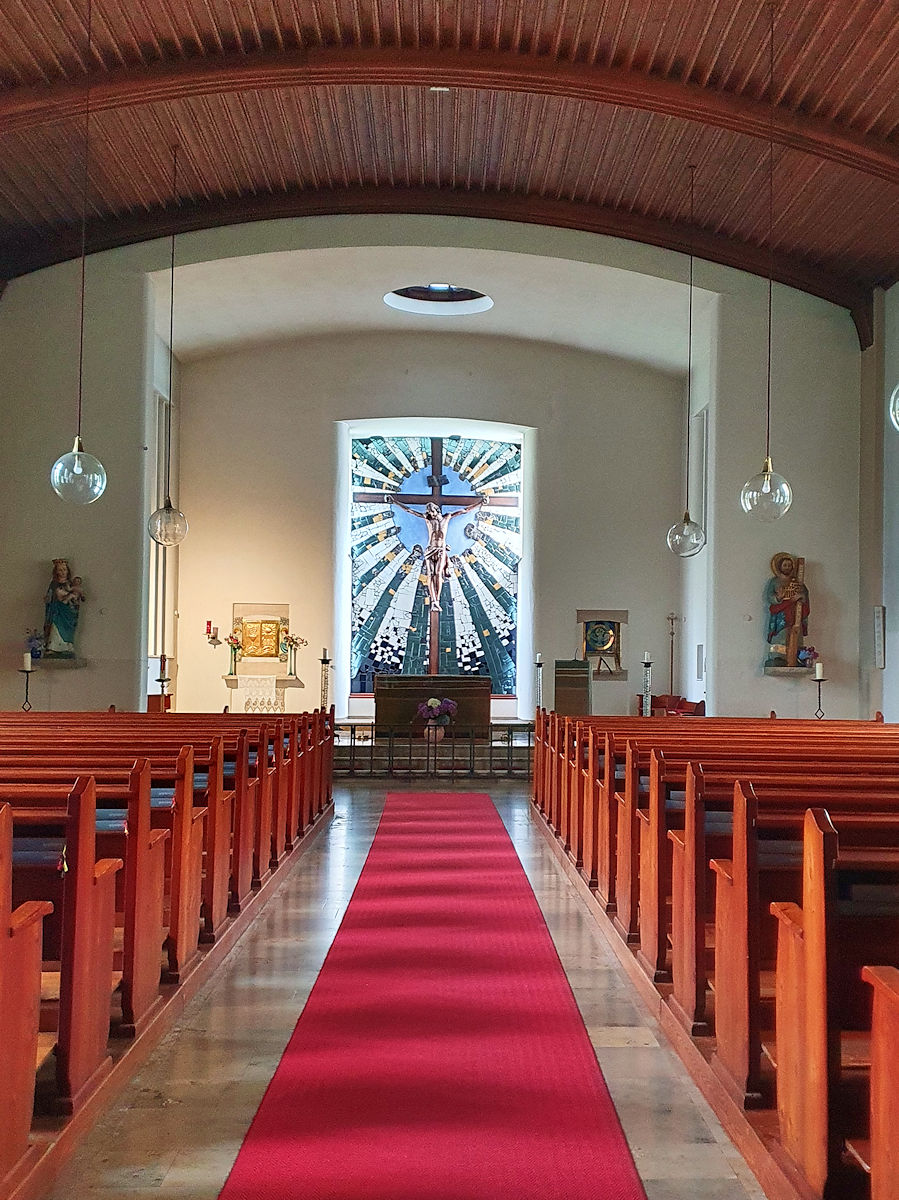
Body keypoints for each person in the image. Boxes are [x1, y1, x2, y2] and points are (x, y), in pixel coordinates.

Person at [390, 495, 486, 611]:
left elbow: (464, 511)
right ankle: (433, 601)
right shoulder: (428, 519)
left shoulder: (447, 517)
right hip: (430, 549)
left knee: (438, 573)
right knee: (430, 574)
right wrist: (394, 502)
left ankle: (437, 601)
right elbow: (409, 511)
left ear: (437, 510)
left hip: (441, 550)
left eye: (432, 512)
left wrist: (480, 503)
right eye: (429, 512)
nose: (431, 514)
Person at [764, 552, 809, 666]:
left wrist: (801, 597)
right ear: (779, 567)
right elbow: (770, 596)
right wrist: (778, 597)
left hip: (795, 613)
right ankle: (778, 658)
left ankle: (798, 657)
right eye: (785, 565)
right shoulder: (775, 581)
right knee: (781, 635)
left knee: (796, 634)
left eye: (789, 565)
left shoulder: (798, 583)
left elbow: (805, 595)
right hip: (782, 614)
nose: (787, 567)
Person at [44, 558, 84, 656]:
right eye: (60, 570)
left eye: (64, 570)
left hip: (68, 611)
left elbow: (76, 597)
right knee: (55, 627)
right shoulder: (53, 584)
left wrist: (73, 599)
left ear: (68, 571)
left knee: (67, 628)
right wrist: (48, 599)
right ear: (56, 572)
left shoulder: (71, 584)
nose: (62, 572)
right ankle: (53, 647)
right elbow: (50, 595)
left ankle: (67, 646)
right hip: (57, 610)